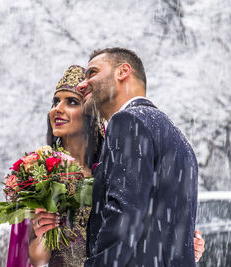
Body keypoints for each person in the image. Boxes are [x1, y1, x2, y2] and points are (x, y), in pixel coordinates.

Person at [26, 65, 204, 266]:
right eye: (56, 101)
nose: (58, 109)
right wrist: (43, 234)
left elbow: (137, 221)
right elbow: (37, 259)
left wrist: (180, 243)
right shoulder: (42, 170)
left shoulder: (116, 162)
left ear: (90, 111)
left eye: (72, 102)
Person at [75, 47, 199, 266]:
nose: (81, 85)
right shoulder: (176, 137)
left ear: (123, 71)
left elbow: (124, 216)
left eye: (92, 73)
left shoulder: (127, 121)